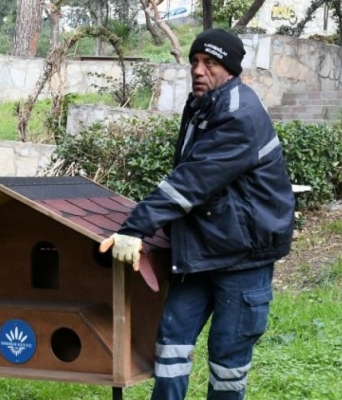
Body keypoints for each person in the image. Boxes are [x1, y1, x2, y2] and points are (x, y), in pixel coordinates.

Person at [101, 29, 295, 399]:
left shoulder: (240, 114)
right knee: (171, 344)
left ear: (231, 69)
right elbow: (189, 178)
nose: (198, 70)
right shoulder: (203, 105)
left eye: (210, 63)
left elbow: (190, 183)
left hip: (244, 257)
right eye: (194, 61)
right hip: (203, 249)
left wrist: (135, 229)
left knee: (227, 360)